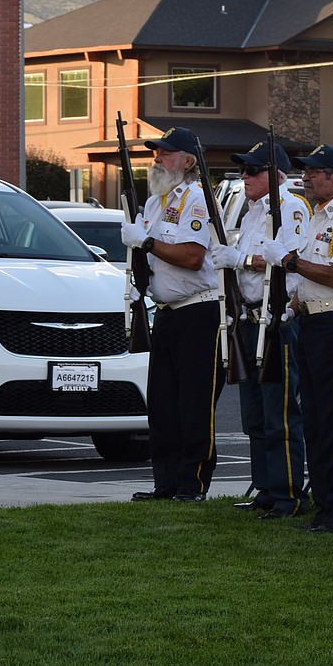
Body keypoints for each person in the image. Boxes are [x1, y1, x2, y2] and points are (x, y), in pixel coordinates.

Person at [260, 144, 333, 534]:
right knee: (314, 419)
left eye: (315, 171)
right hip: (310, 320)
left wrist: (289, 260)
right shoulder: (319, 215)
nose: (305, 177)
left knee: (330, 419)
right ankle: (325, 506)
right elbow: (312, 275)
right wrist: (291, 305)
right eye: (305, 171)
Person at [120, 126, 224, 503]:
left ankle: (192, 483)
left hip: (198, 312)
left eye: (165, 153)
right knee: (163, 404)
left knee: (193, 404)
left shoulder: (197, 199)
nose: (157, 159)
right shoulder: (154, 203)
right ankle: (165, 482)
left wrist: (146, 242)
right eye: (156, 153)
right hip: (165, 313)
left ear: (187, 161)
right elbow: (152, 259)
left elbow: (193, 258)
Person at [209, 140, 310, 520]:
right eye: (244, 170)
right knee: (253, 411)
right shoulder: (254, 211)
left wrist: (242, 260)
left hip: (277, 319)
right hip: (250, 319)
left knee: (279, 411)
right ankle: (266, 489)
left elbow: (290, 262)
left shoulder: (290, 208)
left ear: (276, 175)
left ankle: (288, 495)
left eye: (253, 170)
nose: (244, 176)